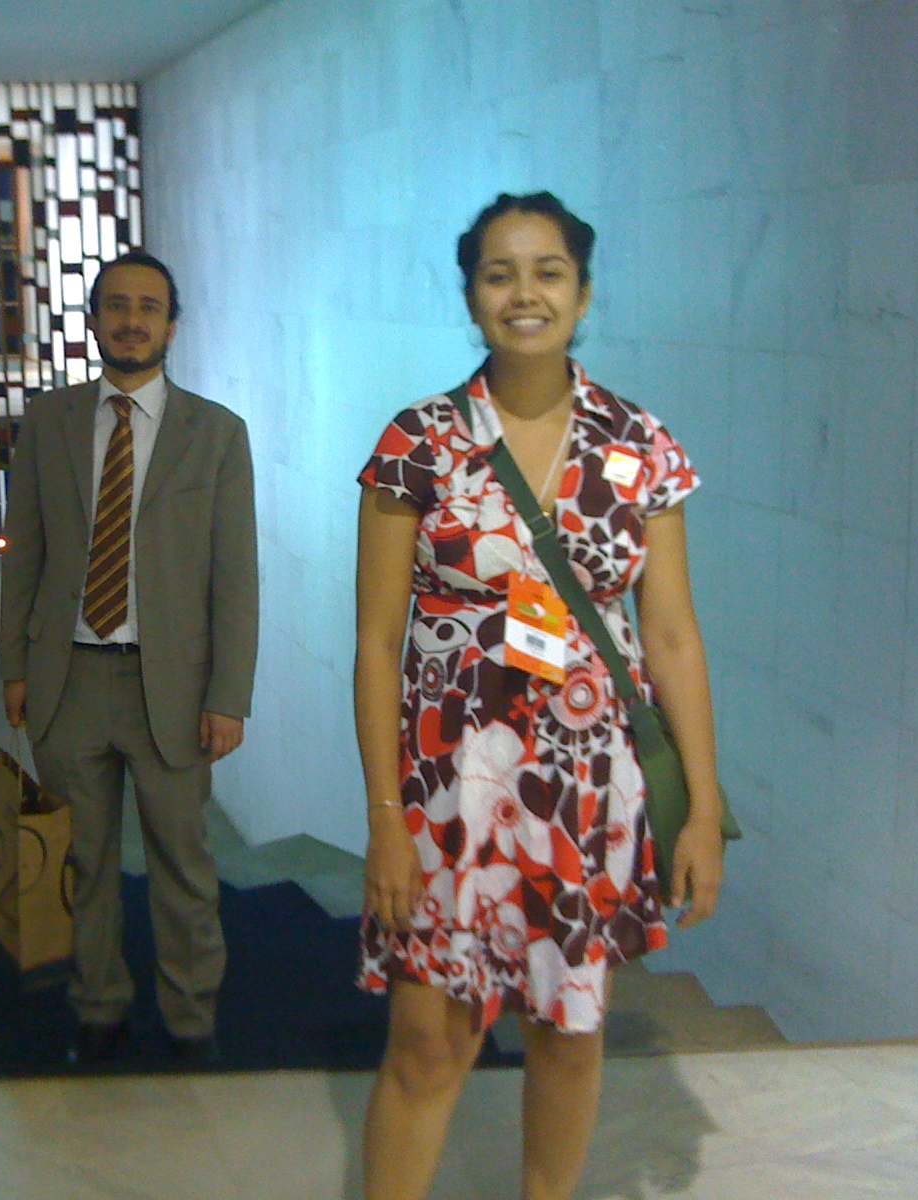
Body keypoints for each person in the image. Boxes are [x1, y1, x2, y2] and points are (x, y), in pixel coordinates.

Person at [354, 193, 724, 1199]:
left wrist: (700, 807)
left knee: (567, 1034)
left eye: (548, 271)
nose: (525, 293)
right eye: (499, 273)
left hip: (586, 791)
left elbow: (673, 636)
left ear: (584, 292)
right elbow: (377, 642)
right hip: (445, 801)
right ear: (472, 295)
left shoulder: (636, 442)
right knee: (428, 1042)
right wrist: (386, 821)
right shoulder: (417, 444)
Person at [0, 249, 258, 1064]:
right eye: (117, 304)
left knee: (184, 861)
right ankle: (98, 1006)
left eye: (149, 306)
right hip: (68, 678)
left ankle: (191, 1017)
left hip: (172, 688)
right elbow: (25, 555)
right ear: (94, 318)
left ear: (172, 326)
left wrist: (231, 694)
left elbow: (235, 575)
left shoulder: (217, 435)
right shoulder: (49, 423)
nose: (132, 319)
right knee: (83, 859)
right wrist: (14, 666)